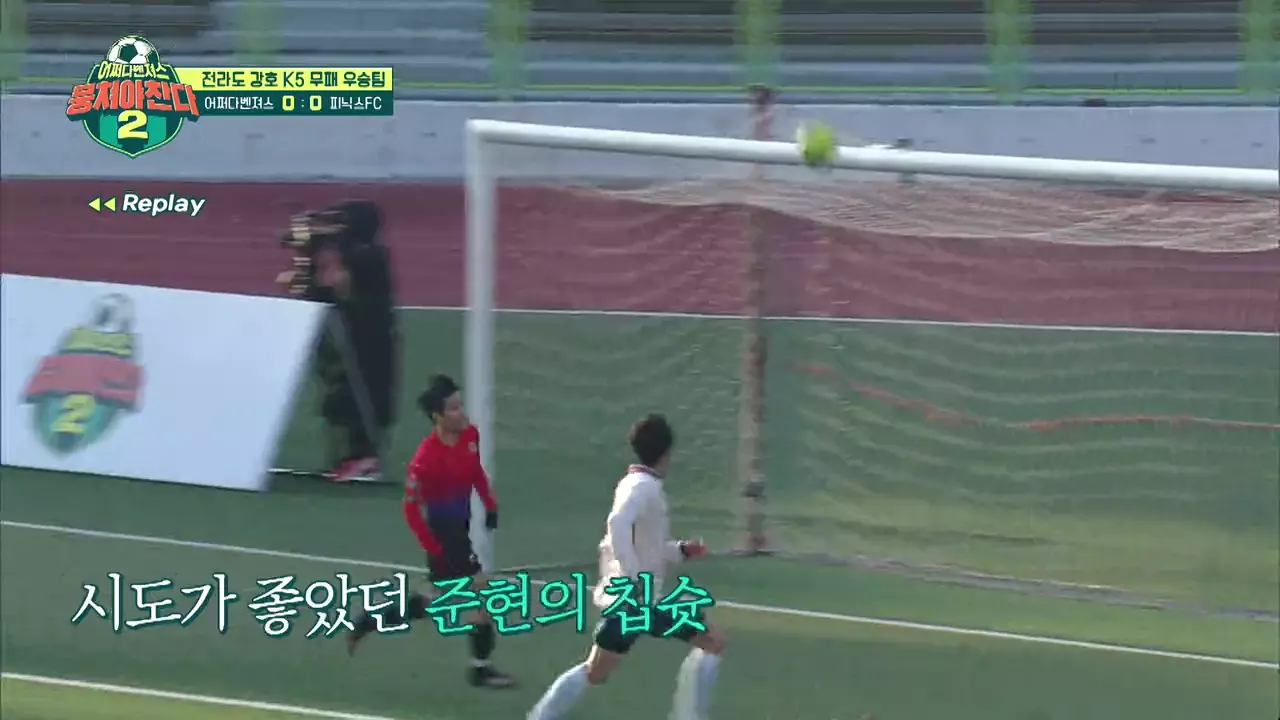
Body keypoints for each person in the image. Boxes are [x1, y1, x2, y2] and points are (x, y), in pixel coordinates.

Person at [527, 414, 725, 720]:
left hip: (631, 599)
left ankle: (540, 717)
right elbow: (617, 524)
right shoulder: (643, 487)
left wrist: (682, 550)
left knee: (595, 671)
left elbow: (647, 546)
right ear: (667, 453)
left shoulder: (637, 483)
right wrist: (635, 579)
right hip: (638, 599)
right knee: (713, 641)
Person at [346, 374, 515, 689]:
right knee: (481, 595)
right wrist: (434, 547)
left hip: (461, 530)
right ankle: (480, 669)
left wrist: (489, 504)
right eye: (453, 408)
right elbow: (410, 509)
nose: (461, 413)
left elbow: (475, 471)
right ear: (437, 416)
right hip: (444, 536)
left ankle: (368, 621)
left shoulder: (470, 436)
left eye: (461, 405)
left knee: (433, 601)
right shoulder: (425, 459)